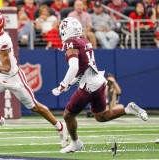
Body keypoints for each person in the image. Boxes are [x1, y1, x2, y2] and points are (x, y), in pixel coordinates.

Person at [0, 11, 68, 148]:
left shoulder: (3, 40)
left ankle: (60, 127)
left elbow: (7, 68)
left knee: (35, 107)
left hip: (13, 77)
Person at [52, 17, 148, 153]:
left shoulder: (71, 43)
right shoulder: (84, 41)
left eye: (62, 29)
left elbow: (74, 67)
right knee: (101, 116)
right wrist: (70, 83)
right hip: (98, 82)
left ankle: (75, 143)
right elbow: (84, 68)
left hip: (89, 86)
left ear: (67, 30)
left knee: (68, 115)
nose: (61, 32)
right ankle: (128, 110)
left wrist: (62, 85)